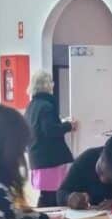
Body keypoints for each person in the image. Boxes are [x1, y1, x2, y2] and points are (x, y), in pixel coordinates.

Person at [24, 70, 75, 207]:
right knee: (53, 197)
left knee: (45, 195)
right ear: (46, 85)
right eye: (51, 82)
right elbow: (51, 130)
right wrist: (69, 125)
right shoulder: (46, 106)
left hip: (37, 158)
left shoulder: (31, 106)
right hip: (50, 159)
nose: (53, 85)